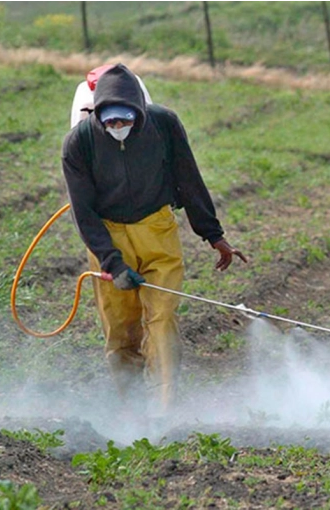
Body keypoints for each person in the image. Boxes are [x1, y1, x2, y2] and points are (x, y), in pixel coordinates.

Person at [61, 63, 247, 416]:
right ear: (98, 116)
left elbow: (188, 178)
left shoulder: (164, 125)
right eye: (111, 122)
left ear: (139, 113)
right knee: (121, 327)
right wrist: (113, 264)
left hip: (157, 229)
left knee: (161, 317)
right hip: (108, 234)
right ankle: (131, 410)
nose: (118, 128)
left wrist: (213, 235)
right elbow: (83, 213)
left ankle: (164, 411)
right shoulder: (78, 143)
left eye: (125, 121)